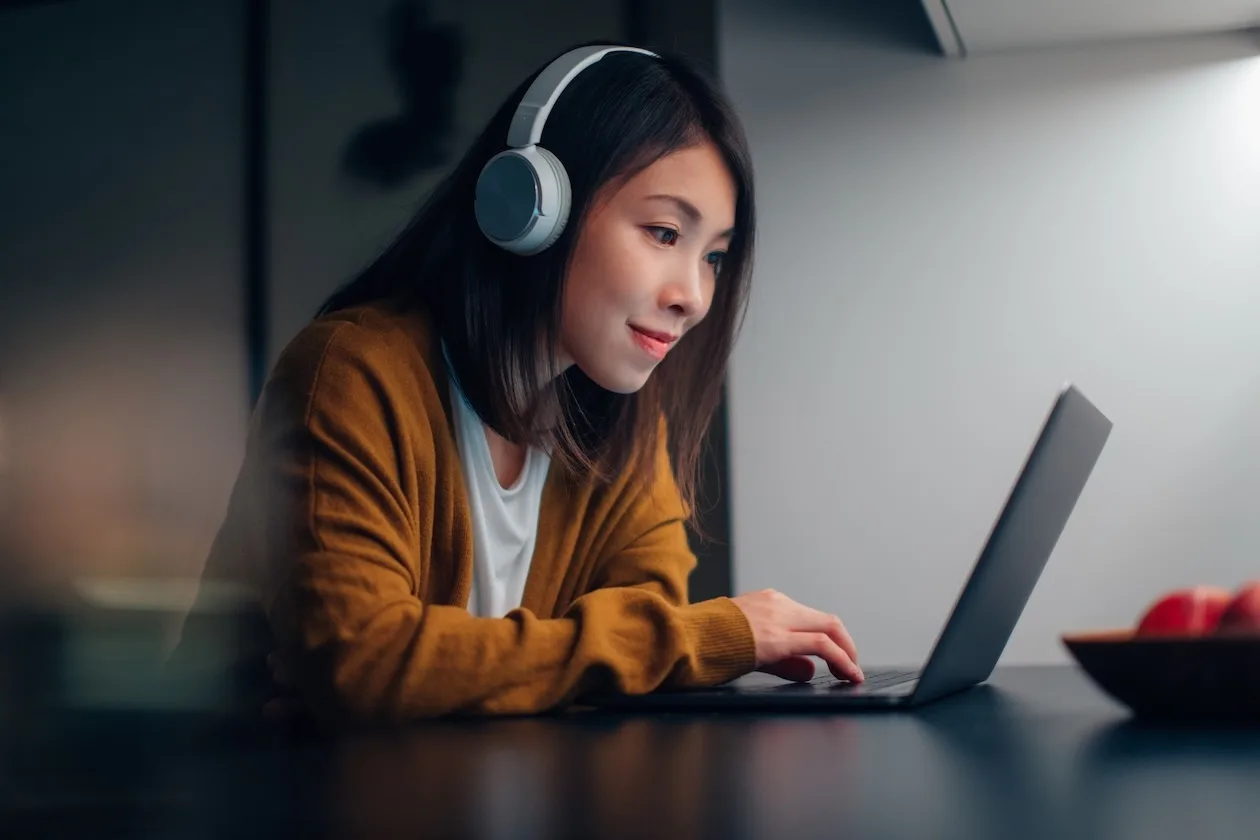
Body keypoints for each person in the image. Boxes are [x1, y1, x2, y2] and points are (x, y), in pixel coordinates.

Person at [171, 42, 863, 729]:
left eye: (713, 256)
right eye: (662, 233)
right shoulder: (352, 374)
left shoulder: (623, 423)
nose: (695, 296)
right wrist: (700, 637)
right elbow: (364, 662)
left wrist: (429, 678)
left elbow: (636, 660)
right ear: (533, 207)